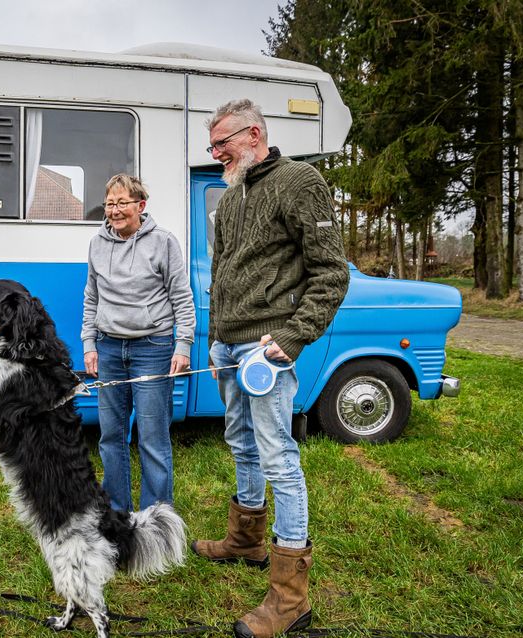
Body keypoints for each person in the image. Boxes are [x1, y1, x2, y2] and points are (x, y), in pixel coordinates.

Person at [193, 99, 349, 638]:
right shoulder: (233, 196)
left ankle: (290, 597)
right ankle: (246, 539)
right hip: (228, 347)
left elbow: (330, 273)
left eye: (221, 145)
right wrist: (215, 341)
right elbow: (224, 271)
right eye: (211, 147)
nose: (215, 155)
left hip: (267, 351)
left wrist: (291, 337)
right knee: (240, 442)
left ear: (254, 134)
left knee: (278, 455)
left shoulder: (300, 181)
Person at [81, 174, 196, 513]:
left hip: (153, 348)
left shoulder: (164, 242)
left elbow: (182, 297)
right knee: (110, 437)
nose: (114, 211)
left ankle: (157, 517)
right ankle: (117, 512)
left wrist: (183, 344)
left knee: (152, 438)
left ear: (141, 206)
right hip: (109, 348)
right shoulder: (97, 243)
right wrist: (89, 344)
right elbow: (91, 297)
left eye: (122, 203)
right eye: (110, 204)